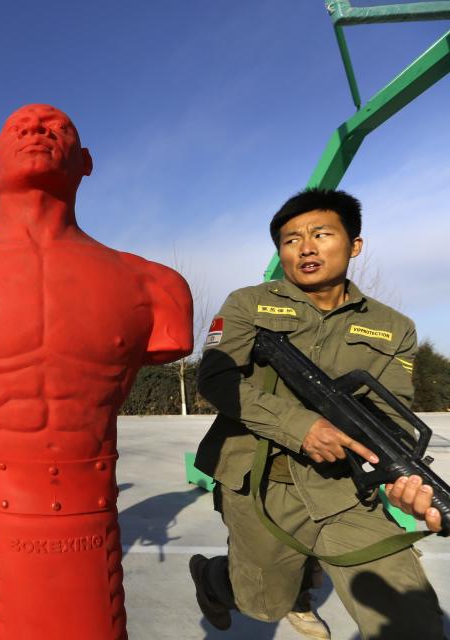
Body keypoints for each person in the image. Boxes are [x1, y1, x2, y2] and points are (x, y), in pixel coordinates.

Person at [0, 104, 193, 640]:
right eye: (20, 128)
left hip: (92, 522)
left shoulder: (155, 286)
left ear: (86, 162)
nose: (36, 131)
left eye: (57, 128)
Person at [190, 188, 444, 639]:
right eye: (290, 240)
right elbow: (216, 379)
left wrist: (404, 482)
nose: (305, 247)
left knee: (414, 624)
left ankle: (306, 567)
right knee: (262, 605)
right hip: (259, 485)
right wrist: (301, 427)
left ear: (354, 245)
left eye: (321, 234)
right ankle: (216, 577)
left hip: (346, 492)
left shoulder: (394, 326)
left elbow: (394, 414)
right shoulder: (248, 304)